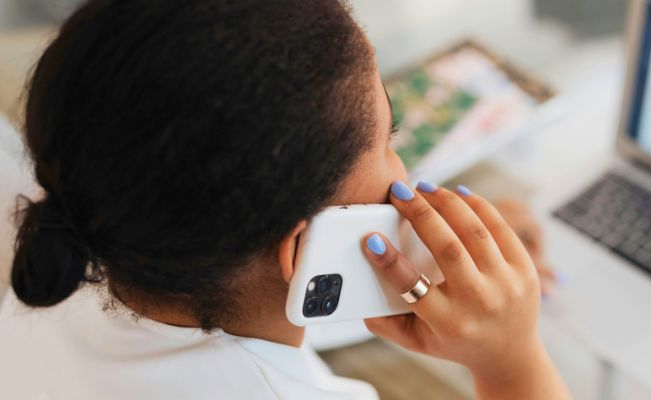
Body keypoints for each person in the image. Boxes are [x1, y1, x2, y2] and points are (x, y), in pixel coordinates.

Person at [0, 0, 571, 399]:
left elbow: (256, 302)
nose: (404, 166)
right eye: (390, 138)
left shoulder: (75, 255)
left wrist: (422, 271)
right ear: (301, 251)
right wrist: (511, 365)